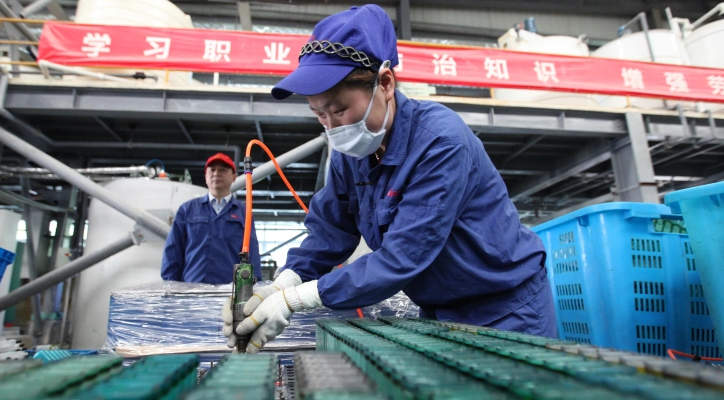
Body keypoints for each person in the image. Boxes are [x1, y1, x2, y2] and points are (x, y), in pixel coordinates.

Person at [223, 4, 556, 353]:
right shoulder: (352, 153)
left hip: (506, 309)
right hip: (439, 310)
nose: (332, 127)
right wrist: (284, 282)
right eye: (319, 114)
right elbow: (330, 231)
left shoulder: (441, 143)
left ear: (384, 83)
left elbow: (403, 256)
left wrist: (296, 299)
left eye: (339, 110)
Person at [162, 153, 261, 283]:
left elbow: (251, 252)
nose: (216, 173)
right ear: (206, 177)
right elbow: (173, 249)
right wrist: (171, 285)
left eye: (223, 170)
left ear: (234, 177)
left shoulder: (244, 212)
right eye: (212, 170)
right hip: (191, 290)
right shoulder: (187, 210)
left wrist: (252, 285)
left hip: (229, 290)